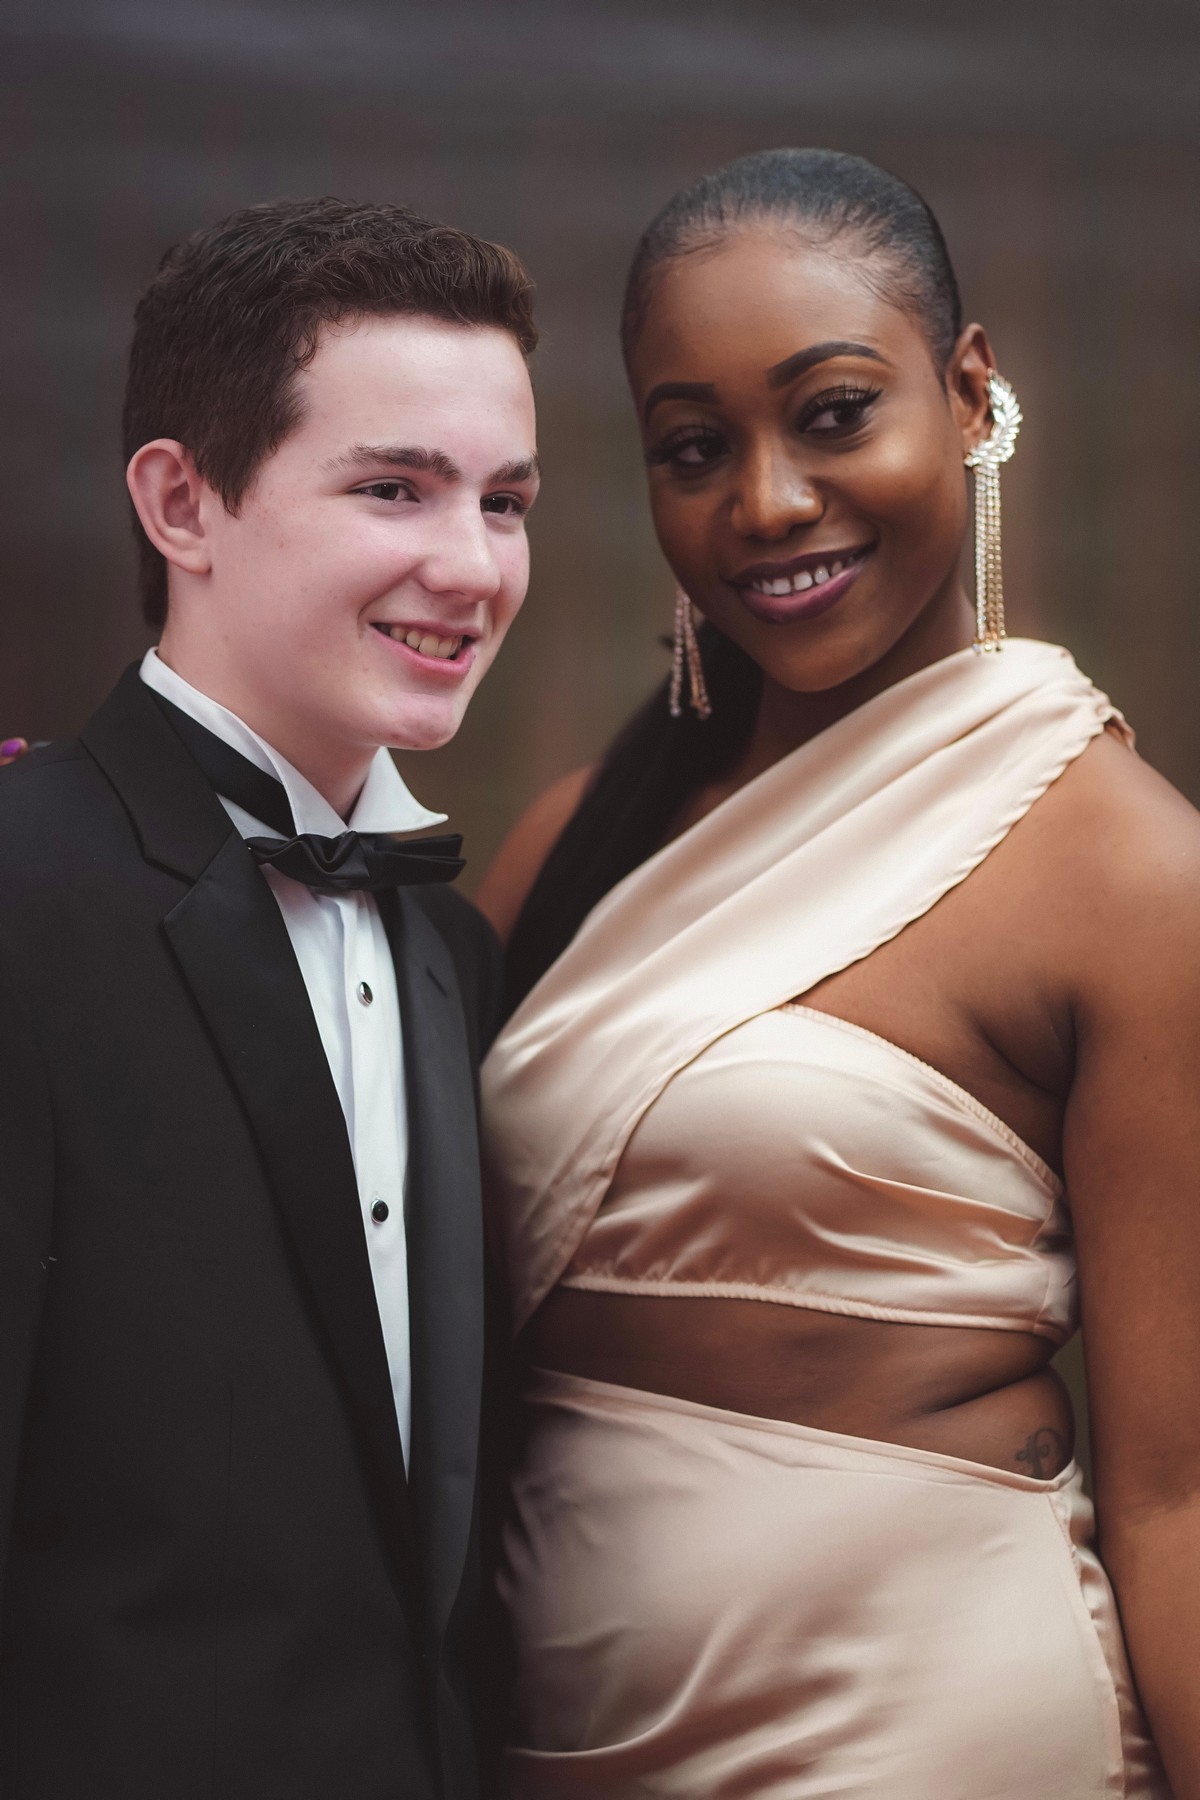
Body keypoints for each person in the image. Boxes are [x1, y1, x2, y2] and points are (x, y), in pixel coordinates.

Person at [478, 149, 1199, 1796]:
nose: (767, 503)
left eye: (832, 413)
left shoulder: (1130, 876)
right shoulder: (580, 838)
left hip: (922, 1733)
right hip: (548, 1740)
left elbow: (1180, 1493)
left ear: (971, 395)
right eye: (694, 448)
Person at [0, 197, 540, 1798]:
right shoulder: (23, 898)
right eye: (394, 488)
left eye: (506, 502)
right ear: (183, 502)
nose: (471, 565)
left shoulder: (457, 954)